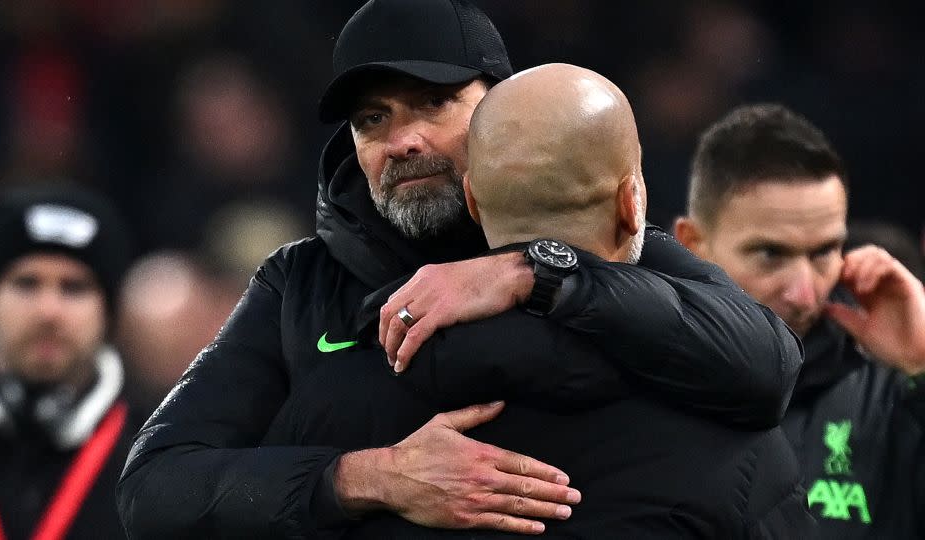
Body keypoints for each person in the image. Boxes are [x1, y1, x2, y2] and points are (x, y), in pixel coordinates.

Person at [117, 1, 805, 537]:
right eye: (372, 119)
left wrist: (537, 271)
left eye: (433, 102)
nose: (402, 140)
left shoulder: (605, 245)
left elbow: (766, 362)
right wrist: (370, 478)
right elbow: (154, 490)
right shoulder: (301, 285)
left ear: (501, 108)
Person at [262, 62, 815, 538]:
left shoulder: (333, 412)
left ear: (473, 202)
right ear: (632, 202)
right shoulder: (737, 437)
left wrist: (366, 479)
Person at [673, 103, 925, 538]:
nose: (805, 293)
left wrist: (923, 365)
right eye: (771, 254)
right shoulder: (638, 382)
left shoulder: (892, 394)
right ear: (693, 244)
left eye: (824, 251)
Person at [0, 186, 137, 539]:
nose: (48, 312)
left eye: (74, 287)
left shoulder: (162, 453)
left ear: (109, 312)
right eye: (26, 284)